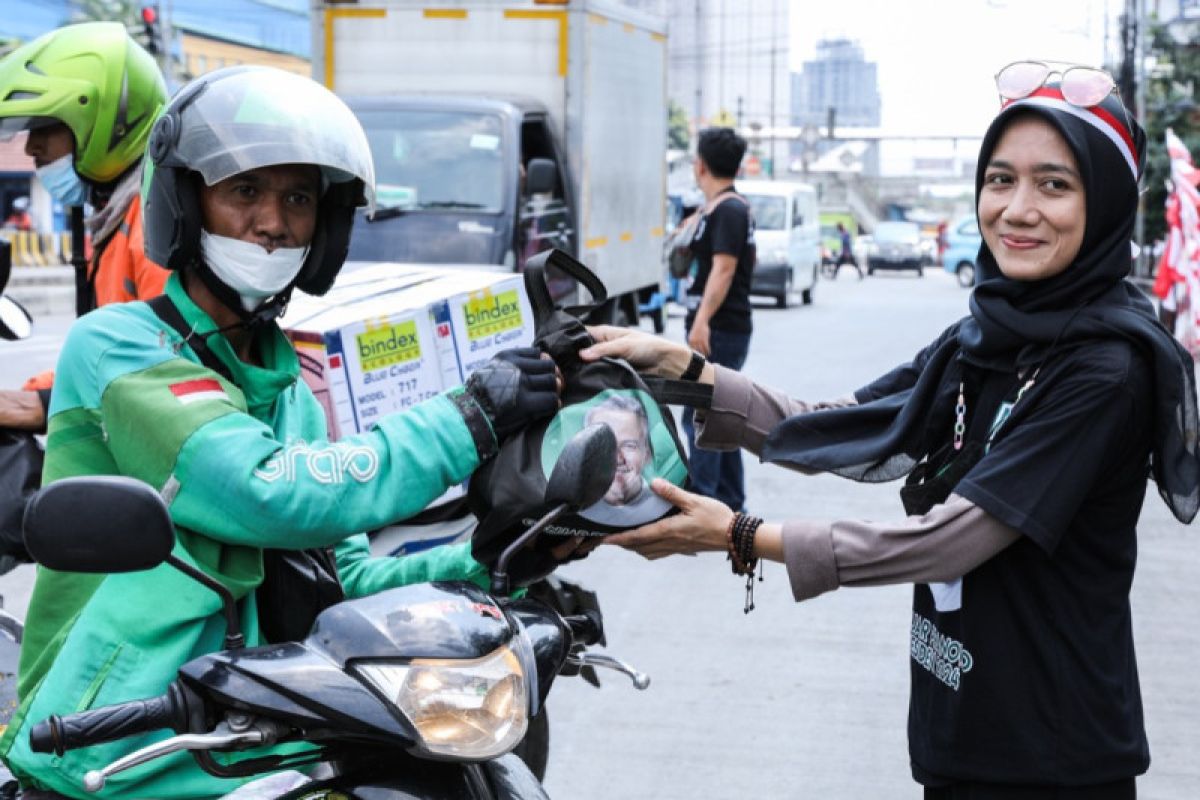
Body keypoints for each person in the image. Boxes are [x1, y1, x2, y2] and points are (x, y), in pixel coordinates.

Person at [579, 67, 1198, 798]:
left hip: (1050, 754)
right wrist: (684, 370)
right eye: (1000, 180)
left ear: (1106, 203)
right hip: (959, 718)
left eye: (1054, 185)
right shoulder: (985, 334)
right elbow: (842, 422)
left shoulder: (1106, 369)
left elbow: (950, 539)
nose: (1018, 209)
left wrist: (738, 533)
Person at [0, 66, 564, 800]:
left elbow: (343, 582)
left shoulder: (287, 386)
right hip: (111, 741)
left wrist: (491, 559)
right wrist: (469, 418)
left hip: (255, 736)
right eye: (244, 192)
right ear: (185, 204)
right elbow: (270, 493)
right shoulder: (121, 347)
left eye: (297, 198)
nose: (273, 222)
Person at [0, 22, 171, 432]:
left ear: (108, 123)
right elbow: (105, 359)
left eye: (45, 127)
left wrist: (43, 403)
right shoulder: (113, 221)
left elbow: (170, 374)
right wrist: (34, 392)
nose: (30, 148)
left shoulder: (157, 226)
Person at [682, 127, 755, 513]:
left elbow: (724, 269)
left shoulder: (729, 210)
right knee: (721, 416)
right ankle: (729, 502)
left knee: (701, 415)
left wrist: (701, 321)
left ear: (701, 165)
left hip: (720, 327)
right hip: (720, 325)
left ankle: (704, 505)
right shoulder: (718, 208)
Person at [579, 395, 671, 527]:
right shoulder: (570, 508)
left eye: (629, 446)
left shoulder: (664, 509)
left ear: (647, 454)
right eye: (603, 444)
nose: (617, 458)